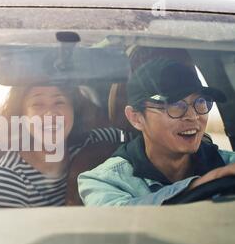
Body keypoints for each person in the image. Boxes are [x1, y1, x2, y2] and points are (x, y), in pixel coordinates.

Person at [78, 58, 235, 206]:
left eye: (200, 102)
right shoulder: (103, 181)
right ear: (136, 118)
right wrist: (205, 183)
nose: (193, 116)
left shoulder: (228, 164)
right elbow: (120, 218)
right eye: (175, 105)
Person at [0, 85, 124, 208]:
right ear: (21, 115)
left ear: (74, 110)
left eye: (59, 102)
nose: (50, 113)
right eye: (37, 104)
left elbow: (140, 139)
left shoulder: (95, 141)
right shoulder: (9, 175)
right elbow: (11, 234)